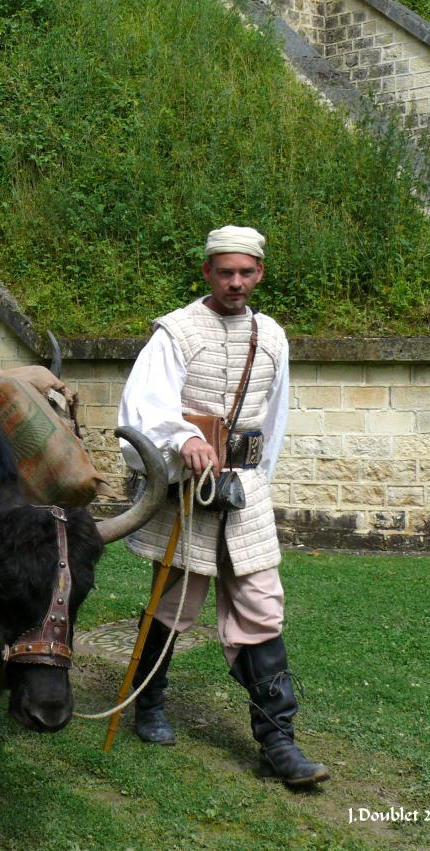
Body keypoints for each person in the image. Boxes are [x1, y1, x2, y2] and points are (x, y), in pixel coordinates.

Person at [117, 225, 327, 788]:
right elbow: (142, 405)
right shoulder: (177, 333)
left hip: (245, 492)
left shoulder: (274, 337)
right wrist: (180, 437)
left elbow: (273, 420)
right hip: (188, 490)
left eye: (246, 272)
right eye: (225, 272)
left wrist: (258, 481)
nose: (236, 282)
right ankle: (148, 702)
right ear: (207, 272)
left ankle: (278, 740)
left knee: (262, 606)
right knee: (174, 605)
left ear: (260, 273)